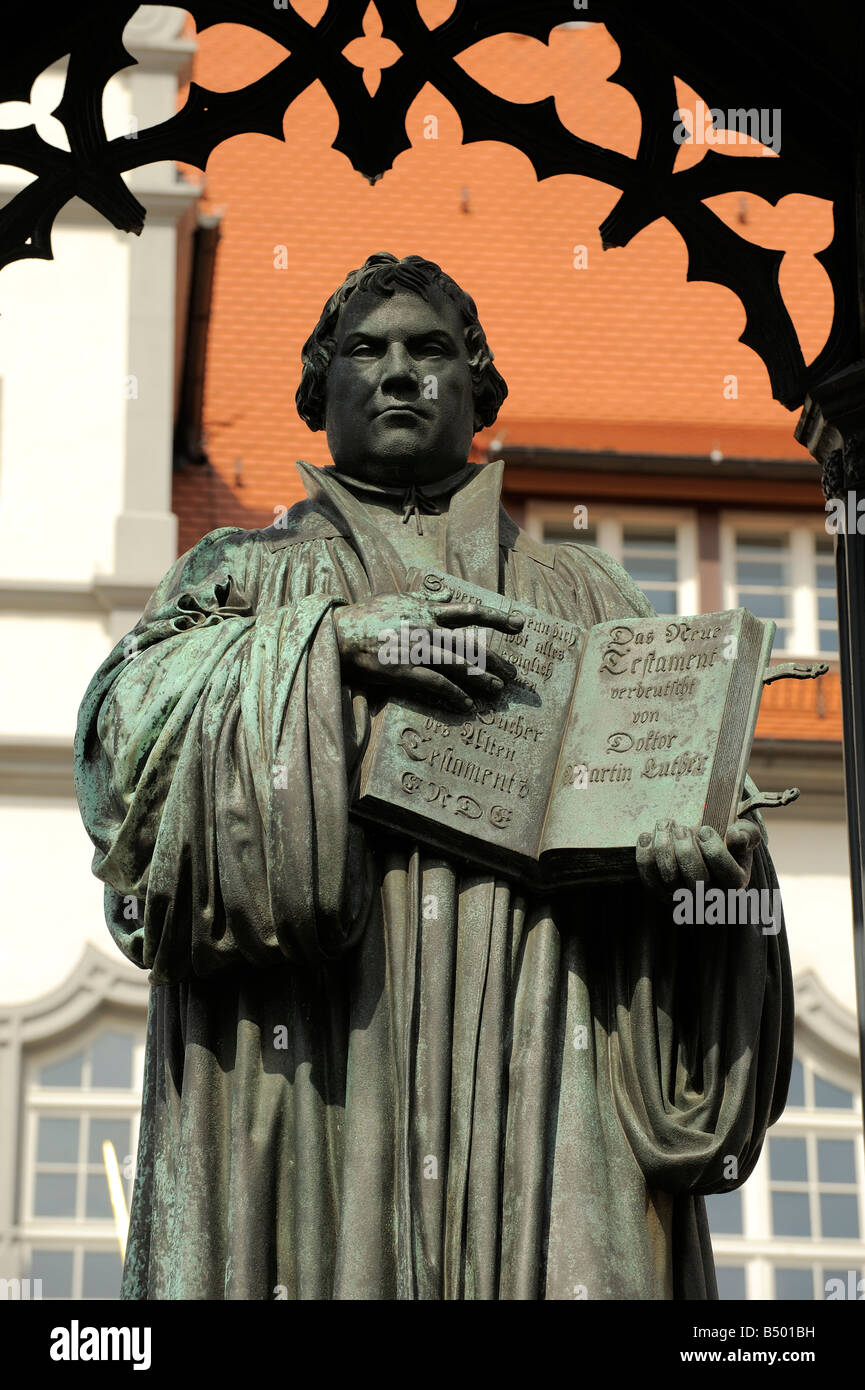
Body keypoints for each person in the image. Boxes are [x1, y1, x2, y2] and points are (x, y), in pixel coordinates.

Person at [74, 252, 792, 1300]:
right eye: (367, 351)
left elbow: (700, 799)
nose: (401, 372)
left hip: (547, 1048)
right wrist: (327, 646)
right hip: (312, 1058)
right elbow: (120, 764)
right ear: (320, 391)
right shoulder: (238, 575)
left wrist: (705, 885)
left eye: (432, 350)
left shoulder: (586, 597)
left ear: (478, 386)